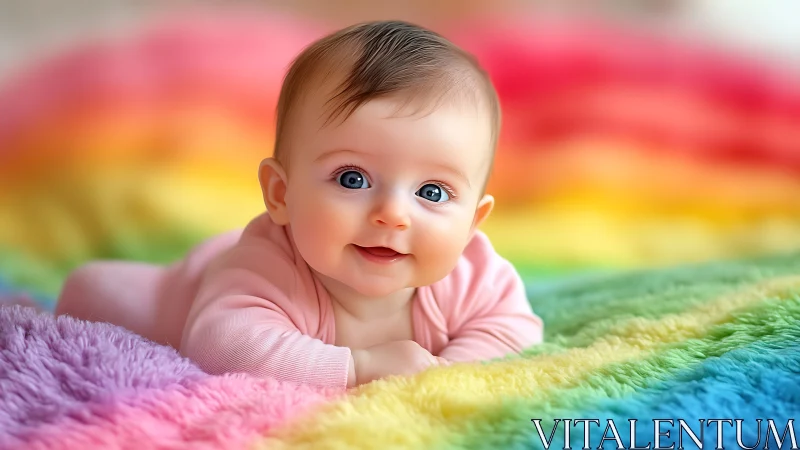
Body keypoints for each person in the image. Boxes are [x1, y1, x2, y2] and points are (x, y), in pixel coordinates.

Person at [55, 20, 543, 390]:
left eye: (432, 192)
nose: (393, 214)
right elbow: (221, 343)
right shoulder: (269, 271)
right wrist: (359, 368)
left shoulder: (473, 275)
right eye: (352, 178)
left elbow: (513, 329)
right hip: (190, 287)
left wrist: (444, 372)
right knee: (91, 289)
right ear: (280, 194)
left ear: (474, 223)